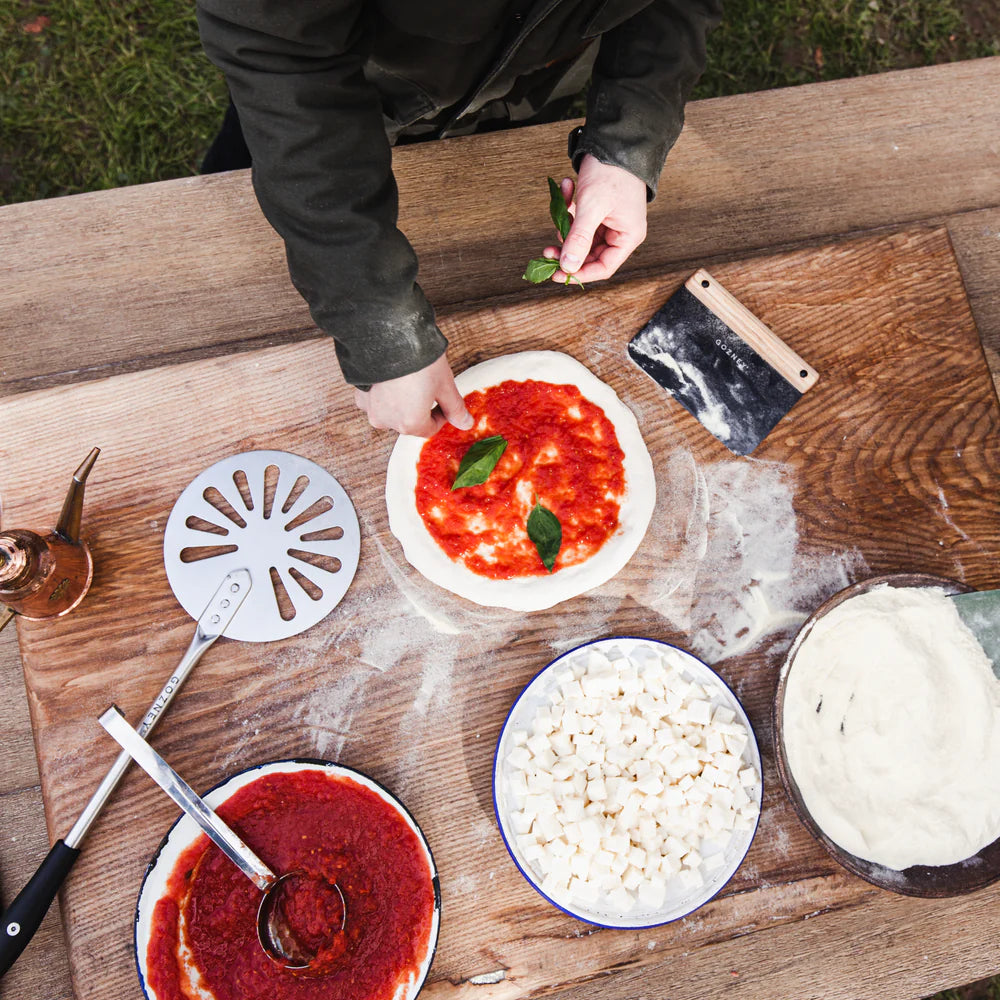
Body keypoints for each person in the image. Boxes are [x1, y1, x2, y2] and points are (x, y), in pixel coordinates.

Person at [196, 0, 721, 436]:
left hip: (527, 84)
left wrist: (626, 144)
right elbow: (279, 55)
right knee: (221, 276)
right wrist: (382, 332)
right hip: (328, 110)